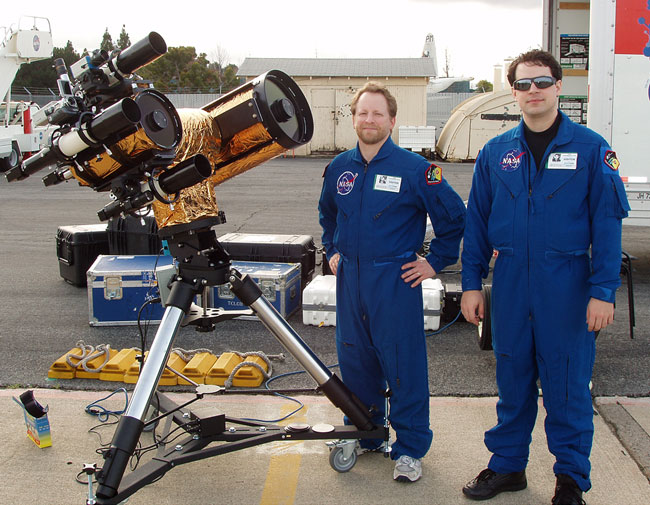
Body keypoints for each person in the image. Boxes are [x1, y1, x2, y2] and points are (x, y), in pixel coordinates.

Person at [460, 50, 630, 504]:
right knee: (512, 383)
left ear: (559, 87)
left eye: (541, 82)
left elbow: (607, 225)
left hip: (569, 288)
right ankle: (508, 467)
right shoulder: (497, 153)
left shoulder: (593, 149)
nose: (532, 91)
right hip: (511, 284)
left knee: (567, 388)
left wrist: (602, 291)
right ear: (514, 92)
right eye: (523, 84)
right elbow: (477, 222)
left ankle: (571, 479)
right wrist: (472, 283)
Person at [318, 81, 466, 482]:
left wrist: (435, 262)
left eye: (377, 113)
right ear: (353, 119)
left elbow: (454, 219)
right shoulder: (339, 168)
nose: (369, 119)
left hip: (396, 281)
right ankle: (366, 436)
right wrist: (331, 249)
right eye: (362, 113)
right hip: (351, 279)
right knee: (356, 362)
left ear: (392, 120)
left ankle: (410, 448)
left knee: (403, 366)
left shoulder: (417, 170)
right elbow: (327, 216)